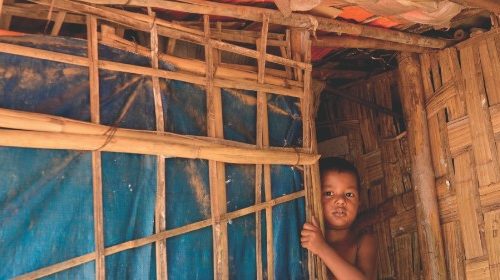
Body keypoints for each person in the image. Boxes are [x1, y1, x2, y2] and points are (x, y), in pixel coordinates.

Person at [301, 157, 377, 280]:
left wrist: (321, 248)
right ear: (314, 196)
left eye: (349, 194)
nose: (341, 200)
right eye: (329, 193)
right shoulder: (304, 233)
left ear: (359, 202)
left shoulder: (363, 241)